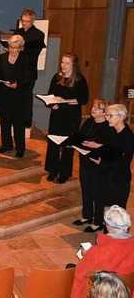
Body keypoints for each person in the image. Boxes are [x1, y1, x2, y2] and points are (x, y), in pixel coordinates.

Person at [70, 205, 134, 298]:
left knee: (70, 270)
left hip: (100, 292)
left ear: (109, 226)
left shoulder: (98, 253)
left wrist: (87, 256)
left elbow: (79, 279)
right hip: (125, 292)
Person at [44, 53, 89, 184]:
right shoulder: (57, 77)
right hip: (57, 115)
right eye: (62, 62)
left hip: (71, 117)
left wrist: (64, 101)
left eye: (67, 63)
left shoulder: (80, 80)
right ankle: (52, 170)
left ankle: (64, 173)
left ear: (73, 65)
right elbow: (50, 95)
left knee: (67, 144)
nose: (63, 65)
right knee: (53, 143)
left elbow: (83, 99)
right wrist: (52, 104)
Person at [84, 104, 134, 213]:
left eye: (110, 116)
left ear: (121, 117)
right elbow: (108, 149)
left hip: (119, 180)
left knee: (117, 212)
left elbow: (123, 162)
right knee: (106, 209)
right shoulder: (112, 131)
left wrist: (102, 163)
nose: (107, 118)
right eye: (106, 115)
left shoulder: (128, 136)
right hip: (107, 176)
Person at [71, 99, 111, 233]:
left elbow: (108, 148)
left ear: (105, 112)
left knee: (97, 193)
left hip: (98, 164)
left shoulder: (108, 127)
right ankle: (86, 216)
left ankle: (98, 222)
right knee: (86, 189)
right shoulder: (88, 122)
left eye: (97, 108)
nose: (93, 109)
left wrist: (94, 147)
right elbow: (80, 138)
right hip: (85, 161)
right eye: (93, 106)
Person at [0, 35, 30, 158]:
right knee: (5, 122)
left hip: (18, 96)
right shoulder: (2, 57)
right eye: (10, 47)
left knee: (18, 123)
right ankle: (6, 145)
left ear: (20, 48)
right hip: (4, 95)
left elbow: (28, 77)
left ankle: (20, 148)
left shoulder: (25, 59)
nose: (12, 50)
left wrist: (17, 84)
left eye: (15, 48)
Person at [13, 8, 45, 128]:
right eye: (23, 20)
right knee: (14, 95)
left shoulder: (38, 35)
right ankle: (13, 117)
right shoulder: (18, 32)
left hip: (29, 70)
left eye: (27, 21)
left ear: (33, 21)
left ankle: (27, 120)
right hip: (16, 69)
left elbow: (35, 53)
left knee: (26, 96)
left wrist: (22, 48)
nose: (24, 23)